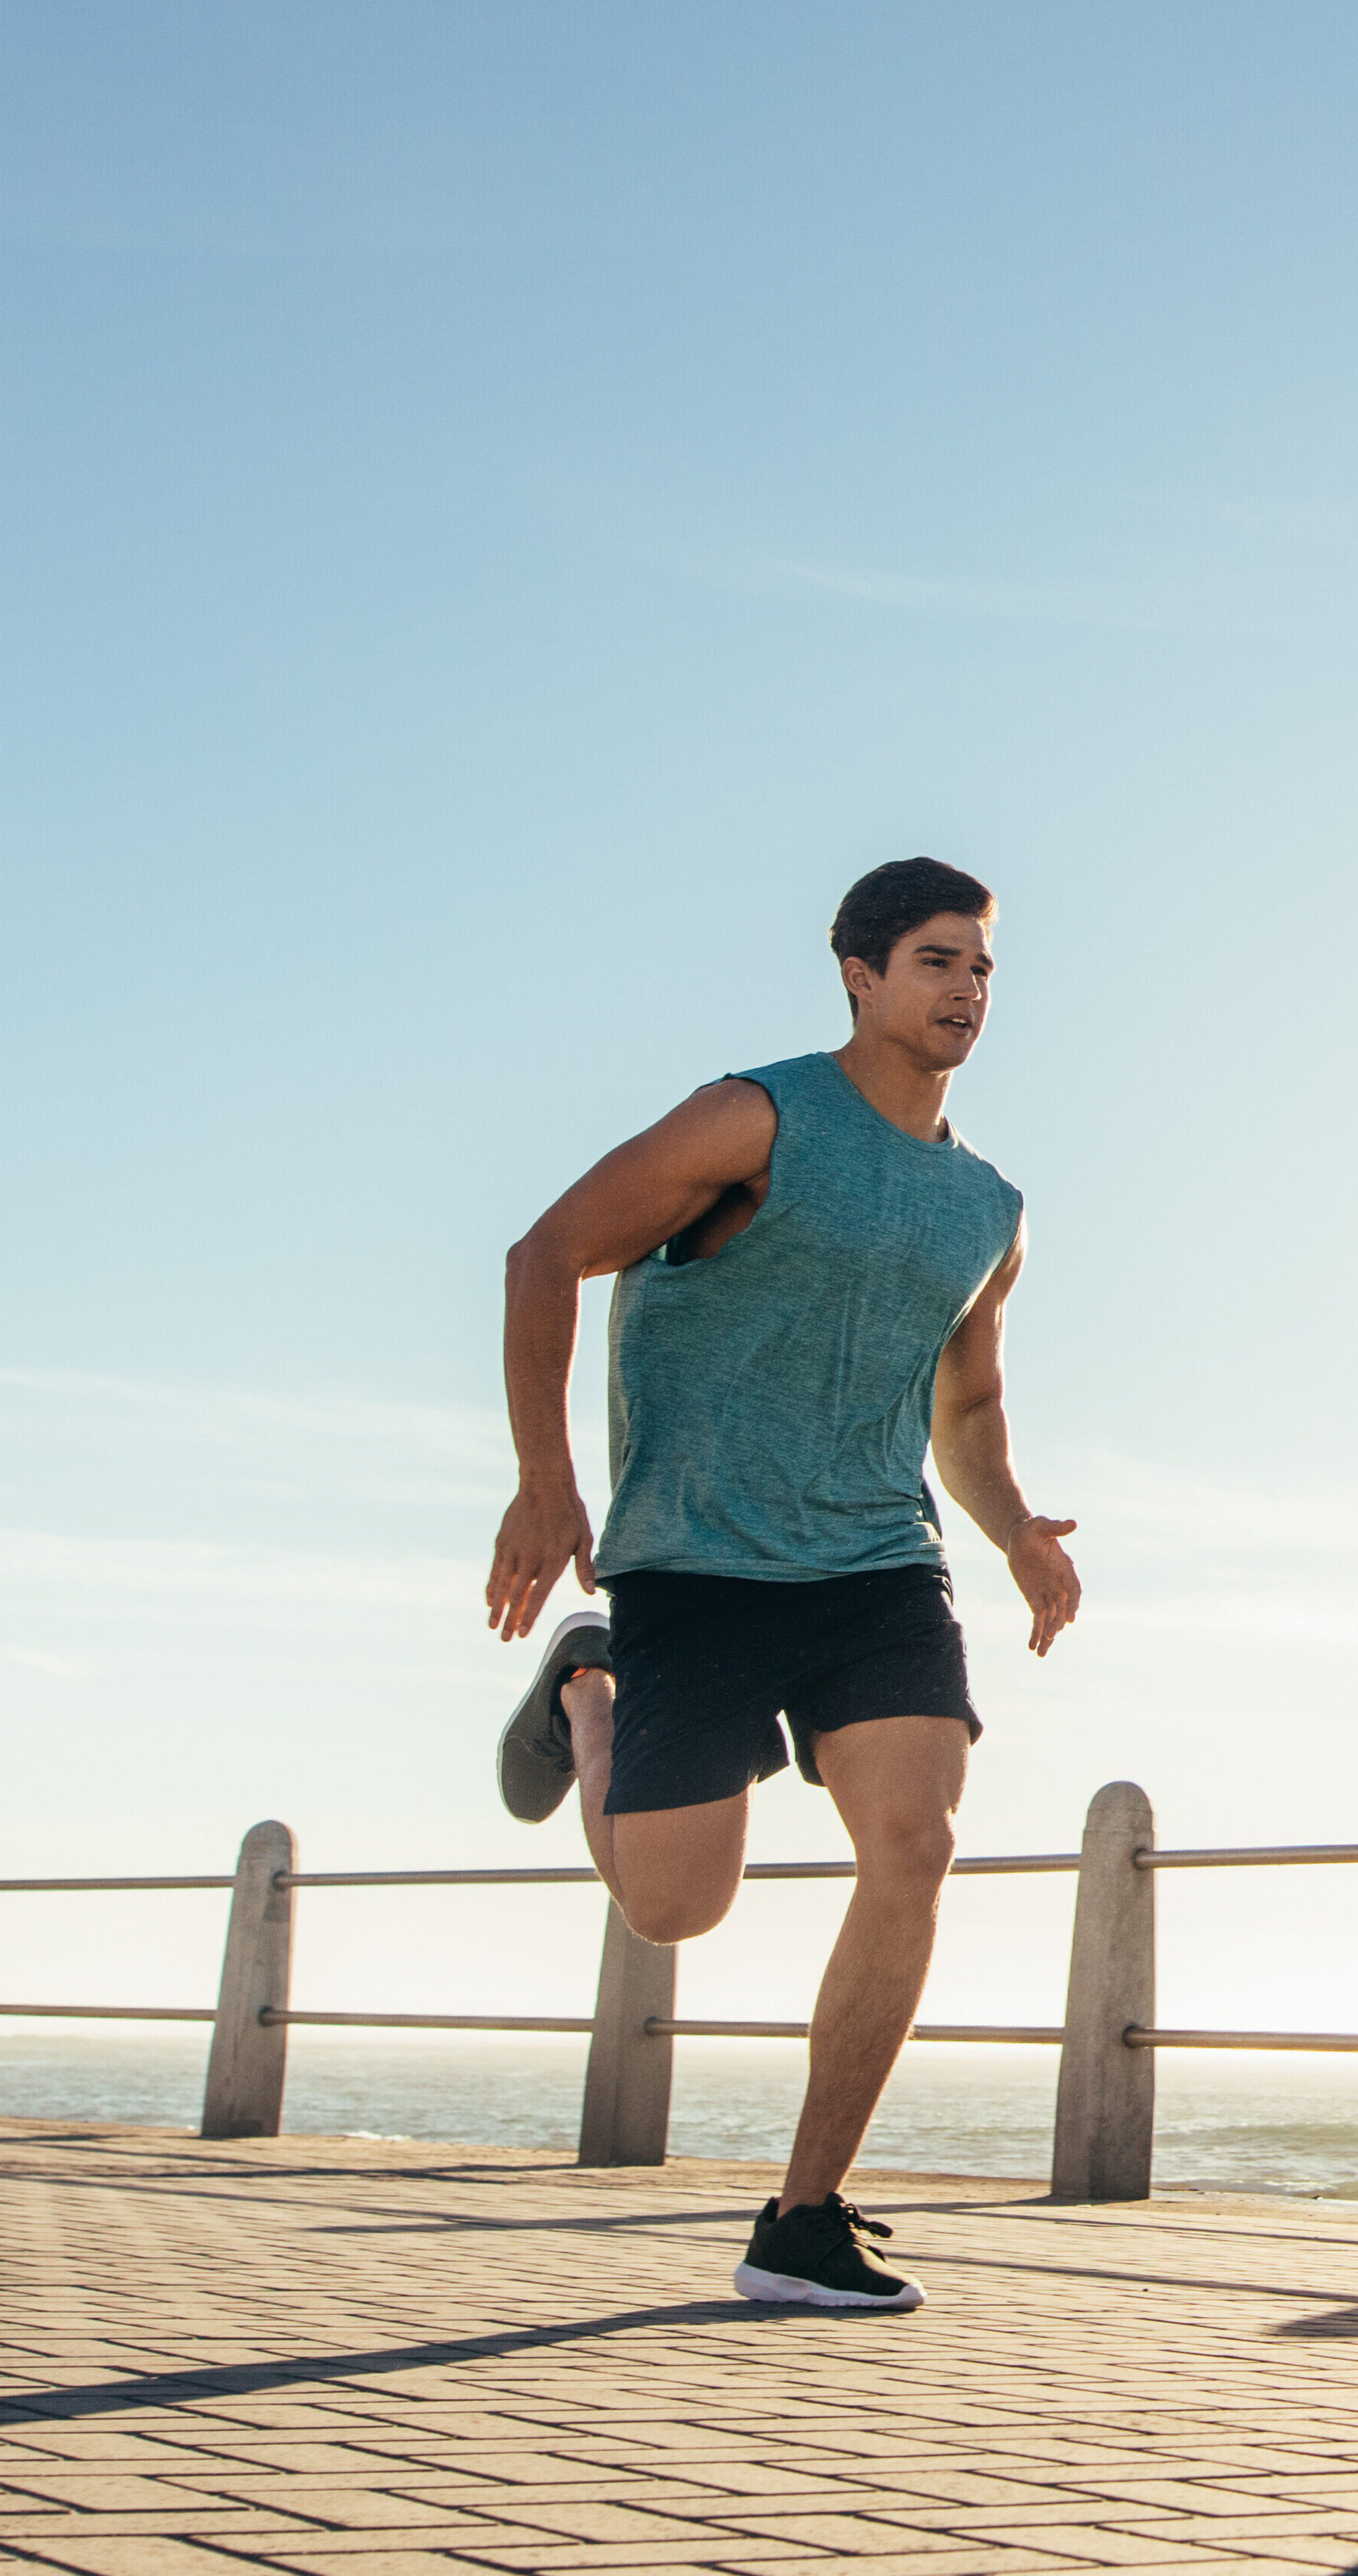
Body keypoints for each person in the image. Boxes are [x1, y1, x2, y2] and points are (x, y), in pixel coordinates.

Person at [477, 855, 1086, 2318]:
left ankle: (804, 2214)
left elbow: (969, 1405)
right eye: (938, 962)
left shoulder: (987, 1207)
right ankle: (588, 1684)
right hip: (694, 1559)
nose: (966, 992)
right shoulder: (755, 1117)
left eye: (984, 969)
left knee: (917, 1846)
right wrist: (547, 1479)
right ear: (860, 978)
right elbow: (547, 1251)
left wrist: (1013, 1533)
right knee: (674, 1909)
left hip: (877, 1565)